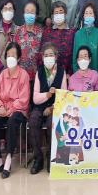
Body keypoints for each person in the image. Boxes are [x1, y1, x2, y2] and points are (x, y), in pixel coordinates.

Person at [0, 42, 30, 179]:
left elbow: (23, 99)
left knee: (12, 121)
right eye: (8, 55)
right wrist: (0, 107)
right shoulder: (2, 74)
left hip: (18, 110)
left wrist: (9, 109)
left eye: (13, 55)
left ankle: (9, 159)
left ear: (18, 58)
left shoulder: (24, 75)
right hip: (2, 109)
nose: (10, 57)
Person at [29, 42, 67, 174]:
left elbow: (63, 96)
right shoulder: (39, 72)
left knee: (52, 123)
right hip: (39, 107)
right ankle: (38, 158)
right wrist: (48, 94)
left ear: (56, 56)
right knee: (33, 121)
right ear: (42, 57)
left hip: (55, 107)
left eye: (51, 55)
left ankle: (51, 156)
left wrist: (51, 108)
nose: (48, 57)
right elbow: (35, 98)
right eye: (46, 55)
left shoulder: (61, 72)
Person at [72, 3, 98, 80]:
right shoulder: (78, 34)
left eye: (91, 13)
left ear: (94, 16)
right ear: (83, 16)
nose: (88, 15)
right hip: (80, 76)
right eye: (86, 13)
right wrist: (76, 73)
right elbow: (75, 56)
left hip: (95, 76)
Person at [14, 0, 44, 90]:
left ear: (36, 15)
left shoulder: (41, 33)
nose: (29, 14)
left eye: (32, 12)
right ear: (23, 14)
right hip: (20, 77)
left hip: (37, 78)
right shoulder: (17, 32)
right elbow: (14, 54)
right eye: (27, 12)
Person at [41, 1, 76, 75]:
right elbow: (42, 52)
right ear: (52, 15)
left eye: (61, 12)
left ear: (65, 14)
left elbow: (74, 54)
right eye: (56, 13)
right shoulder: (47, 32)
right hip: (49, 73)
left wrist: (70, 73)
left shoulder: (72, 33)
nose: (58, 15)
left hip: (67, 74)